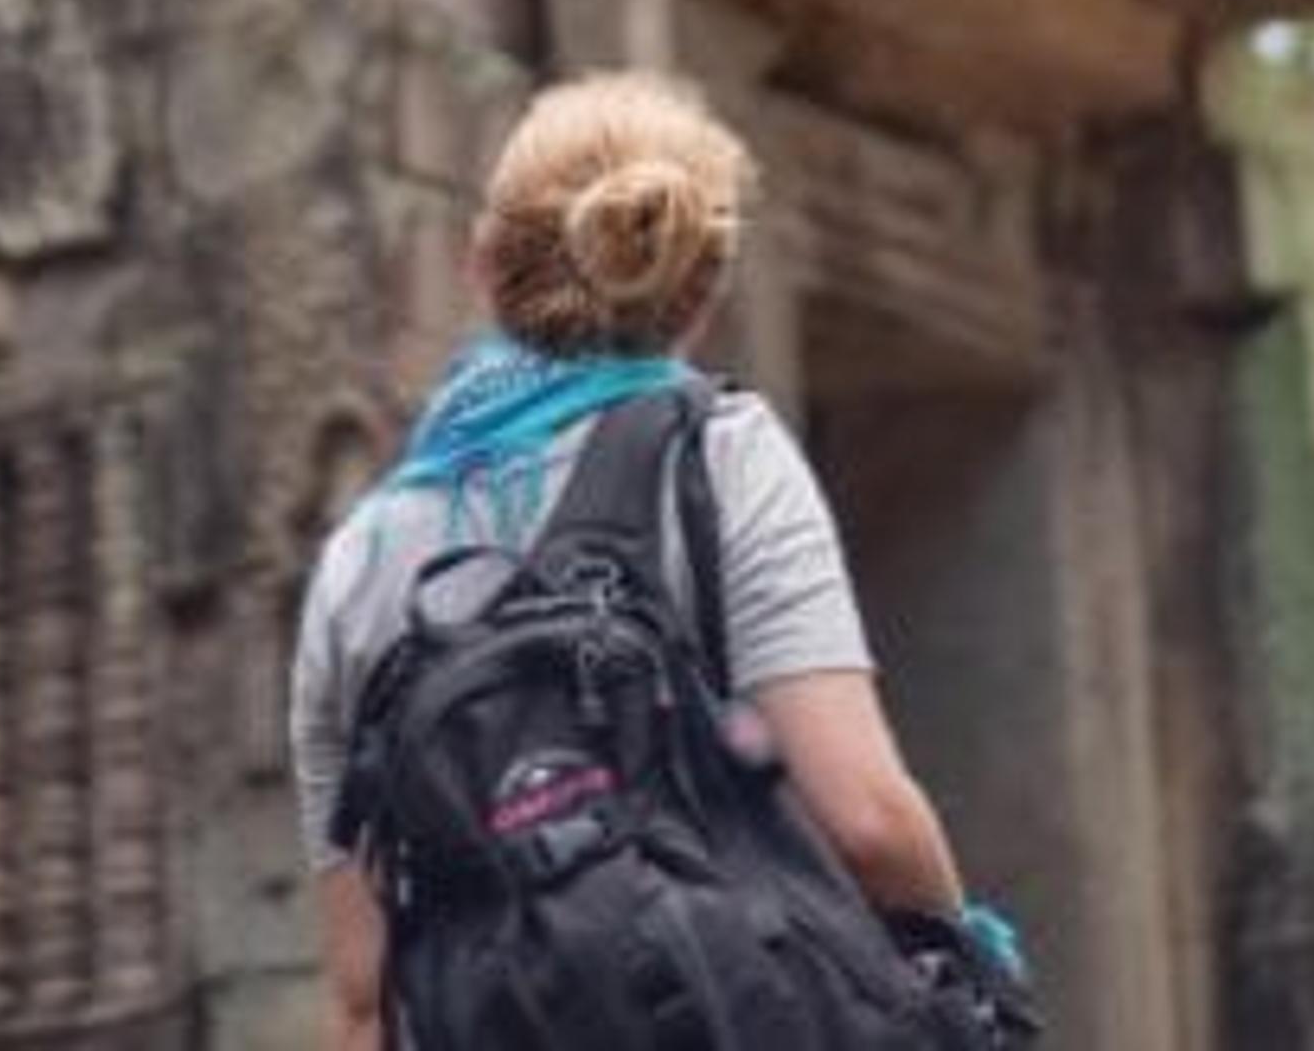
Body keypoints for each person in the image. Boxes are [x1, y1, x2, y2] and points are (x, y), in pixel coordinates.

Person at [288, 72, 1017, 1049]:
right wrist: (973, 971)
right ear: (701, 294)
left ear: (480, 265)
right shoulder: (716, 451)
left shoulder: (359, 563)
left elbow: (363, 991)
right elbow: (869, 818)